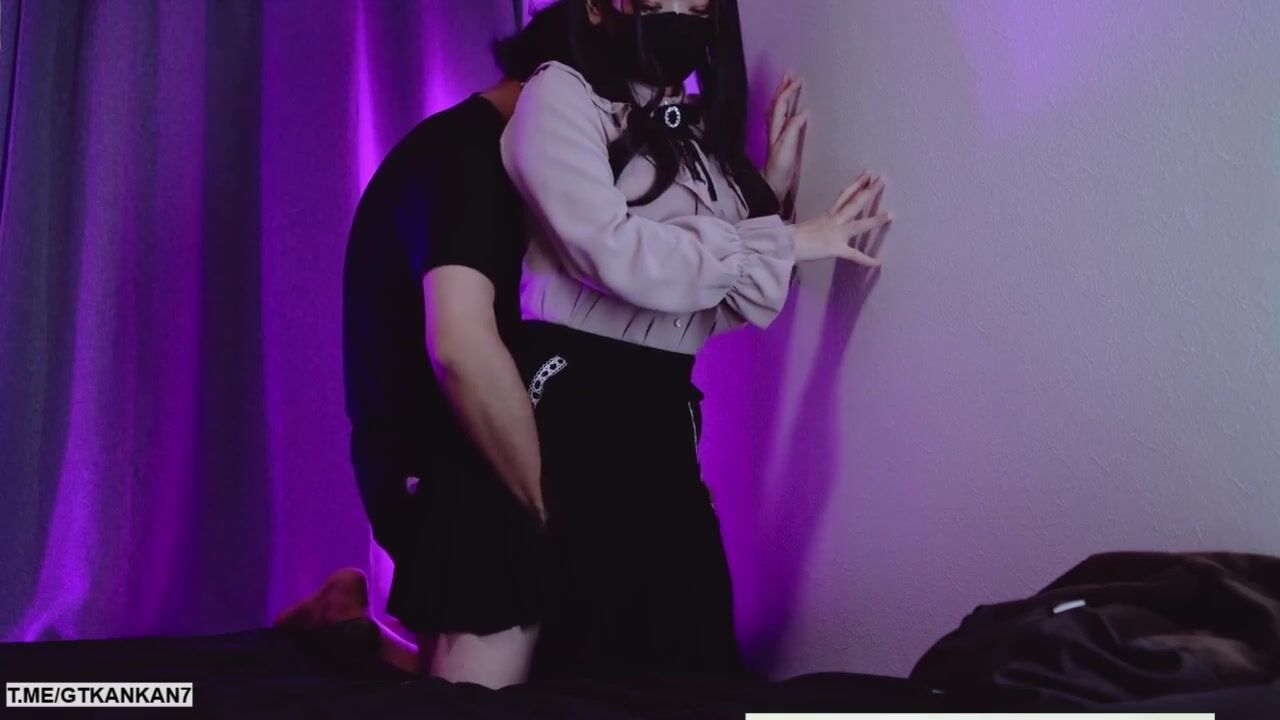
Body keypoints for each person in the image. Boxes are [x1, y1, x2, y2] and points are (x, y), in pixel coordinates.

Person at [499, 0, 893, 682]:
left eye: (699, 4)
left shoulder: (688, 129)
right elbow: (612, 253)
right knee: (610, 634)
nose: (684, 15)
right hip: (581, 386)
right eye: (665, 1)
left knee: (689, 631)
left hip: (660, 400)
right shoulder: (560, 95)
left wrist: (770, 184)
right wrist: (792, 241)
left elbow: (718, 299)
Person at [274, 6, 577, 689]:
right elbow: (460, 351)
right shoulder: (469, 160)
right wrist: (546, 508)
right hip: (436, 470)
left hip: (447, 455)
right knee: (476, 693)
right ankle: (343, 639)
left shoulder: (475, 149)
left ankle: (347, 629)